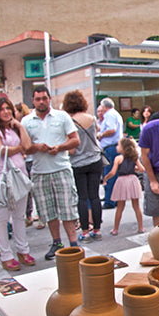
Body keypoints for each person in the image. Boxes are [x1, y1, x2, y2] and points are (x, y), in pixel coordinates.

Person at [21, 85, 80, 260]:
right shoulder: (26, 121)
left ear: (49, 99)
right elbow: (24, 148)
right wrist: (36, 147)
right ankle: (57, 242)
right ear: (33, 101)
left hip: (61, 168)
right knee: (48, 211)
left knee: (67, 208)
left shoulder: (62, 117)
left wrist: (59, 147)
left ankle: (74, 243)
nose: (41, 102)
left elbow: (75, 140)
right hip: (39, 171)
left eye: (44, 98)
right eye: (38, 99)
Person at [0, 97, 36, 271]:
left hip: (20, 176)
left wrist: (21, 126)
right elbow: (1, 150)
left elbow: (28, 146)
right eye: (2, 109)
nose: (6, 112)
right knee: (2, 217)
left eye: (8, 108)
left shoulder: (15, 128)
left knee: (19, 216)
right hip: (4, 177)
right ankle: (6, 255)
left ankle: (23, 250)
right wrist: (20, 148)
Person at [65, 90, 103, 244]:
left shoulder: (69, 121)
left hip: (78, 163)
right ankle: (97, 230)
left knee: (82, 197)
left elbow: (72, 149)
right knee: (95, 196)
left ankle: (85, 232)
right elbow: (97, 133)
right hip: (95, 160)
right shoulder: (92, 118)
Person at [103, 137, 145, 235]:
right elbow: (142, 169)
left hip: (122, 181)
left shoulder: (118, 158)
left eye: (119, 145)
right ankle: (141, 227)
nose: (117, 147)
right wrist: (134, 169)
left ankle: (116, 229)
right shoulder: (134, 157)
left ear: (123, 148)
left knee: (120, 207)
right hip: (133, 180)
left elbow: (113, 172)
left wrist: (106, 177)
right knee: (136, 206)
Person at [98, 98, 124, 209]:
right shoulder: (115, 114)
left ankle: (110, 200)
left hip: (110, 147)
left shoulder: (109, 115)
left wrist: (101, 135)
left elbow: (111, 129)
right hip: (114, 147)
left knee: (109, 174)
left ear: (104, 106)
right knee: (114, 174)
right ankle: (115, 198)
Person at [14, 102, 37, 227]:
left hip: (29, 160)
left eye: (15, 111)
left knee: (31, 188)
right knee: (27, 189)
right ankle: (29, 214)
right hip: (25, 161)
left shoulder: (23, 123)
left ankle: (30, 215)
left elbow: (26, 146)